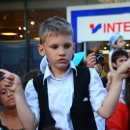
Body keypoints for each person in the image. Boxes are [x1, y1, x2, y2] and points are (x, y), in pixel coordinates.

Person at [0, 16, 130, 130]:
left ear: (73, 48)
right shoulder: (34, 85)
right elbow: (30, 126)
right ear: (41, 50)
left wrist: (118, 77)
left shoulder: (89, 75)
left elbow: (105, 112)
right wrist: (17, 91)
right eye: (54, 47)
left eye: (66, 46)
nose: (61, 52)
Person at [106, 50, 130, 130]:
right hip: (116, 110)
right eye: (121, 61)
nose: (125, 63)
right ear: (114, 64)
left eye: (126, 60)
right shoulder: (110, 76)